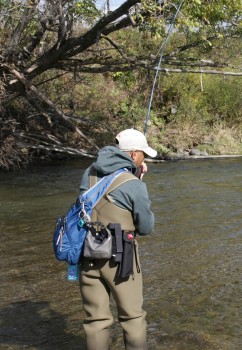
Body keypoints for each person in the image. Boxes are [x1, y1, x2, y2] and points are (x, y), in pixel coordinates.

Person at [78, 128, 157, 350]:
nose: (145, 158)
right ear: (133, 154)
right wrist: (138, 180)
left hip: (87, 252)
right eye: (143, 153)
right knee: (132, 318)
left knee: (96, 320)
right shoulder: (134, 184)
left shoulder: (89, 172)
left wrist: (135, 175)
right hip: (120, 256)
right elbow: (146, 227)